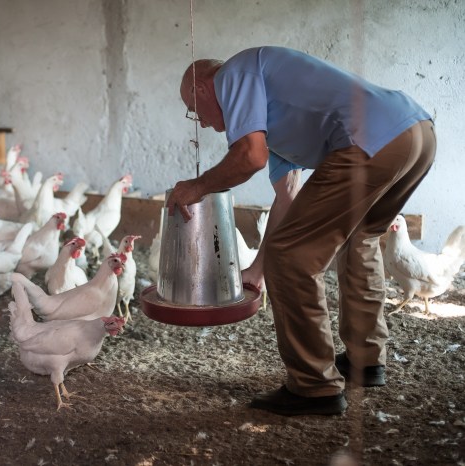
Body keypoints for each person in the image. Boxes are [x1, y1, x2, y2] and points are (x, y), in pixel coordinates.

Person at [167, 46, 434, 416]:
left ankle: (314, 386)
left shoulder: (235, 73)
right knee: (360, 238)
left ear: (201, 89)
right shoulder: (270, 120)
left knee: (293, 259)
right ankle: (366, 359)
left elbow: (249, 158)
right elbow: (288, 200)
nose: (201, 122)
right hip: (415, 132)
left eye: (194, 110)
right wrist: (259, 270)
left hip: (372, 140)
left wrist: (196, 187)